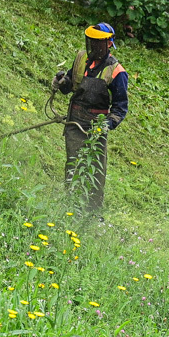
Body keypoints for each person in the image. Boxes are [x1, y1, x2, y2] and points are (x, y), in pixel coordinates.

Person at [52, 23, 129, 212]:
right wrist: (62, 82)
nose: (93, 46)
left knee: (95, 169)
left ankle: (93, 213)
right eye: (91, 42)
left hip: (96, 128)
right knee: (73, 164)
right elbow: (70, 85)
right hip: (74, 122)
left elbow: (120, 108)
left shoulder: (116, 71)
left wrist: (107, 125)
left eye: (98, 43)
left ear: (108, 44)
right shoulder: (81, 59)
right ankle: (69, 205)